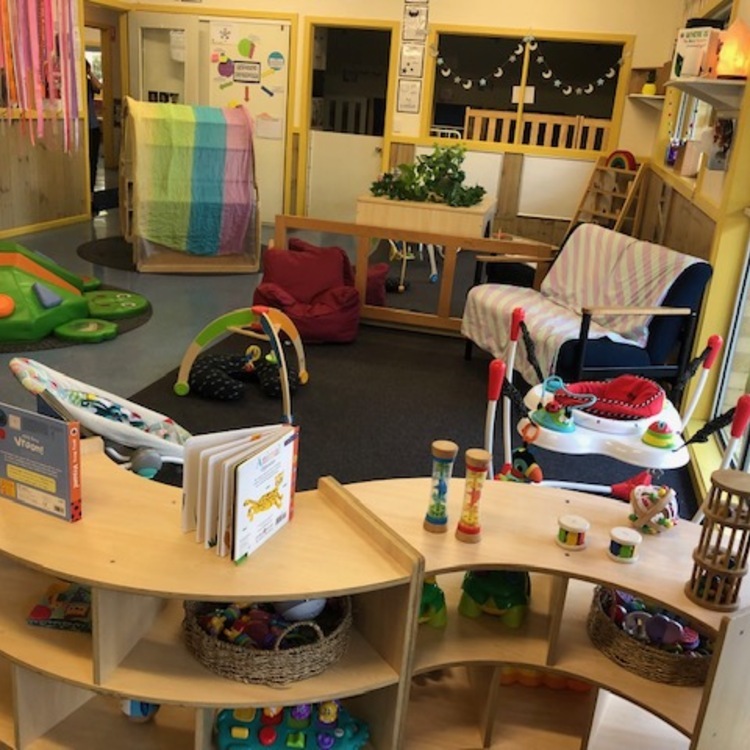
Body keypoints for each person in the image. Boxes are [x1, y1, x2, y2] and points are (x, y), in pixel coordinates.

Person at [86, 60, 102, 211]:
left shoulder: (88, 83)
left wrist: (89, 73)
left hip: (93, 127)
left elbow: (99, 86)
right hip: (82, 129)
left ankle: (90, 198)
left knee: (92, 164)